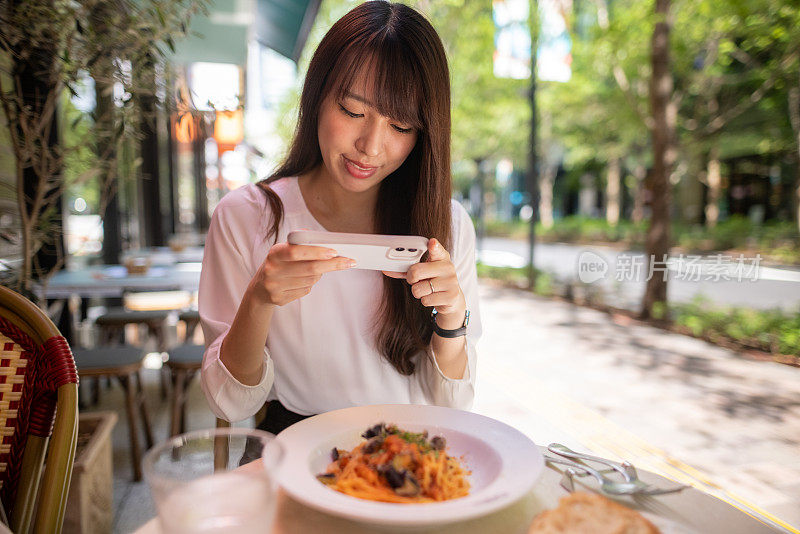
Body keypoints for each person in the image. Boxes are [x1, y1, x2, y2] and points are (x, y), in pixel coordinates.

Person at [198, 1, 482, 435]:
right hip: (293, 450)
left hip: (409, 458)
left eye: (401, 127)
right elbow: (228, 401)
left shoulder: (447, 226)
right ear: (316, 97)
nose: (371, 146)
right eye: (352, 111)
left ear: (423, 133)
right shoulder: (247, 216)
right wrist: (259, 300)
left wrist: (451, 317)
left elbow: (453, 400)